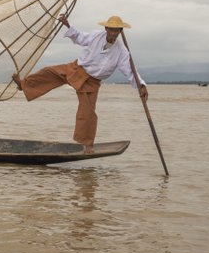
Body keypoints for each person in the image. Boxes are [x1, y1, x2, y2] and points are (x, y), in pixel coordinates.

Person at [11, 14, 148, 153]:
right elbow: (80, 37)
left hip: (92, 82)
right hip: (77, 69)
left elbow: (130, 71)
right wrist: (67, 25)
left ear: (120, 31)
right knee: (49, 72)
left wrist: (141, 86)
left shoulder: (122, 51)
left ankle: (87, 145)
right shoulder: (96, 36)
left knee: (87, 111)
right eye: (111, 29)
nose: (113, 33)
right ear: (106, 28)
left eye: (116, 30)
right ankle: (23, 85)